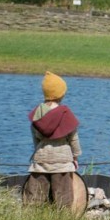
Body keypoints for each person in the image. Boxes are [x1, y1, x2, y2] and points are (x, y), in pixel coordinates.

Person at [25, 71, 82, 208]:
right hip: (62, 162)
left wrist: (38, 150)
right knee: (63, 199)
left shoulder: (37, 113)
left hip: (41, 160)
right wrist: (75, 156)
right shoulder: (65, 114)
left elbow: (35, 138)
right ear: (61, 94)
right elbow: (73, 139)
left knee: (35, 198)